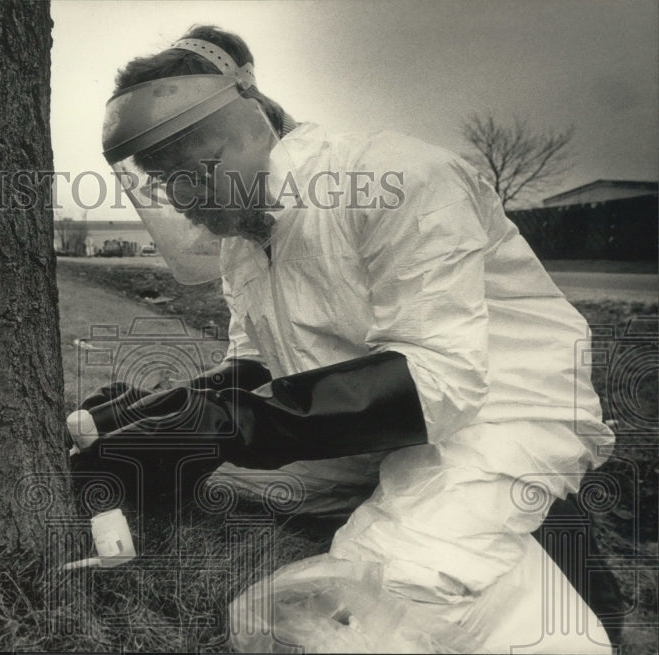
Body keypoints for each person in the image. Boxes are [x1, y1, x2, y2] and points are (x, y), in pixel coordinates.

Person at [69, 25, 619, 652]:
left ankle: (559, 568)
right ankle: (548, 554)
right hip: (376, 427)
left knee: (375, 590)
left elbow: (440, 381)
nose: (182, 201)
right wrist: (135, 419)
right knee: (216, 487)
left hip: (497, 411)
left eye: (193, 172)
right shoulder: (245, 242)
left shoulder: (397, 178)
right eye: (164, 184)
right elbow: (256, 365)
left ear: (251, 124)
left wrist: (217, 425)